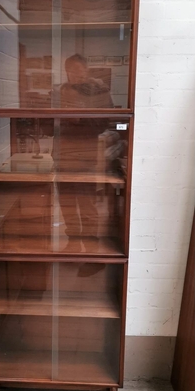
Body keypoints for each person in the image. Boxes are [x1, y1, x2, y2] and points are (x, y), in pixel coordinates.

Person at [56, 54, 114, 253]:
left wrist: (80, 120)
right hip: (62, 155)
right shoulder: (61, 92)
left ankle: (91, 249)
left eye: (79, 71)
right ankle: (73, 242)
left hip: (85, 156)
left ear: (87, 71)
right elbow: (47, 126)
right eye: (71, 71)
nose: (75, 75)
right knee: (66, 202)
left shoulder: (99, 92)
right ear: (66, 72)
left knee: (87, 203)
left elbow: (104, 123)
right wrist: (57, 117)